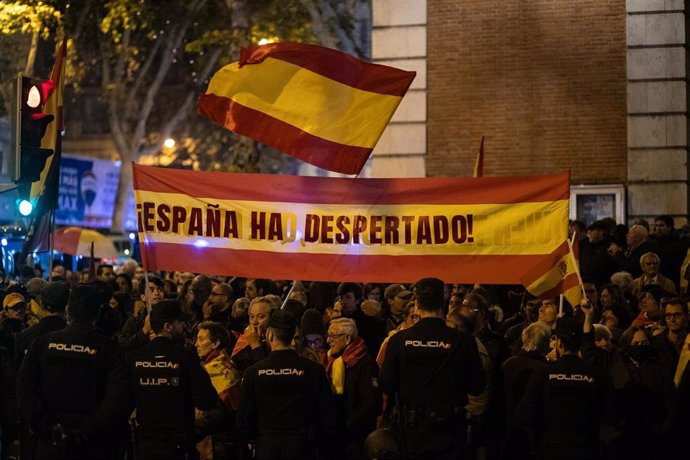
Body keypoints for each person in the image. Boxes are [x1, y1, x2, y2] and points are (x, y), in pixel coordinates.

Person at [17, 284, 129, 460]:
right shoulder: (110, 350)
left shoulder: (43, 343)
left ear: (68, 309)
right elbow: (116, 400)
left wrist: (48, 427)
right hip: (92, 446)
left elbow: (25, 389)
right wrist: (83, 432)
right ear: (97, 313)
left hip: (48, 444)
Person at [379, 278, 485, 460]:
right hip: (450, 430)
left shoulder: (399, 340)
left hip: (412, 431)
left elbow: (386, 383)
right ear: (443, 304)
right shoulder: (463, 341)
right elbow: (477, 386)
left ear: (417, 304)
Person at [237, 310, 337, 460]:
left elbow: (243, 419)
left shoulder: (253, 372)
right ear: (293, 336)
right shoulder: (313, 370)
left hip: (266, 445)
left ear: (269, 335)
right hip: (303, 446)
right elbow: (328, 414)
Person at [127, 300, 219, 460]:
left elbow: (124, 401)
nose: (183, 326)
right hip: (178, 445)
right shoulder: (186, 357)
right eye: (179, 322)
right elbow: (207, 401)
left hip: (146, 444)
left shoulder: (134, 358)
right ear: (168, 326)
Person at [516, 317, 609, 460]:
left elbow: (525, 413)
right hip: (587, 448)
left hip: (551, 449)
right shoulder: (598, 375)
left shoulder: (543, 375)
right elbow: (612, 415)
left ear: (559, 343)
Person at [325, 318, 382, 459]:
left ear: (347, 338)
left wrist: (347, 425)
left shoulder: (365, 363)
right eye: (328, 335)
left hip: (355, 437)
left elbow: (370, 401)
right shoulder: (331, 361)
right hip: (336, 434)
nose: (328, 341)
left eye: (333, 336)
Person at [501, 322, 551, 460]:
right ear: (545, 343)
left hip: (507, 434)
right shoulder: (546, 371)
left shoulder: (507, 365)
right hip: (535, 438)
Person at [195, 321, 241, 460]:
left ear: (215, 344)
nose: (196, 344)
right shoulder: (221, 363)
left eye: (201, 339)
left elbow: (217, 413)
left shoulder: (219, 370)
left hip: (218, 443)